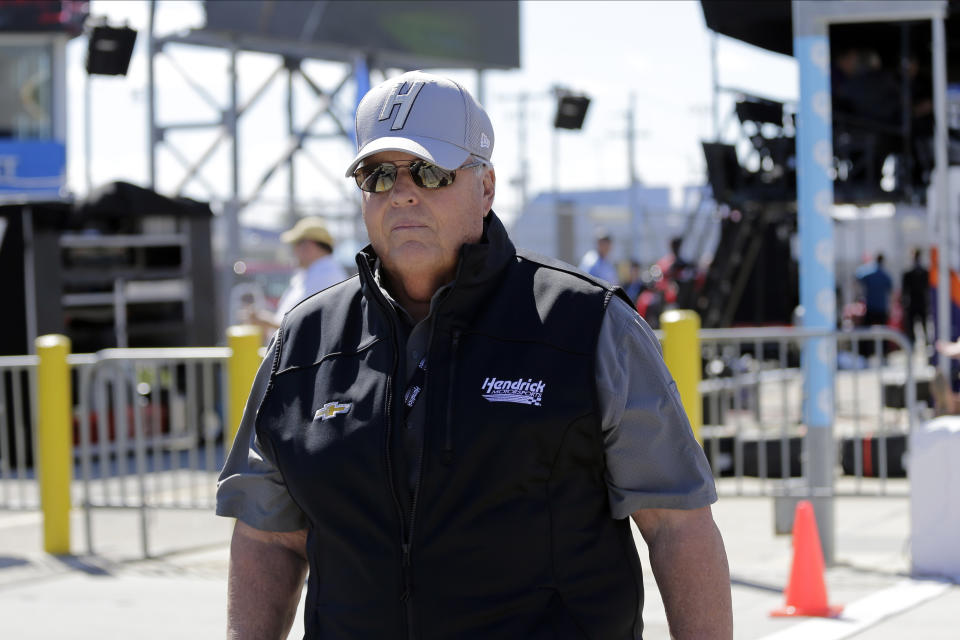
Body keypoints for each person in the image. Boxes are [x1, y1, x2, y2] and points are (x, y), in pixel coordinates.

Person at [217, 70, 732, 639]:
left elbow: (678, 527)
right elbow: (268, 536)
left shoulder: (588, 327)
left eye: (432, 171)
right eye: (379, 174)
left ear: (485, 187)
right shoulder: (304, 342)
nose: (404, 191)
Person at [241, 216, 347, 333]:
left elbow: (305, 327)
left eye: (295, 245)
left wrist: (266, 321)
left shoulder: (326, 276)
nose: (293, 251)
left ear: (309, 246)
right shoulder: (318, 272)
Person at [901, 248, 930, 346]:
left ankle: (918, 343)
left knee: (922, 325)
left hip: (917, 303)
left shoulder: (922, 272)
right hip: (916, 303)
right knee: (915, 326)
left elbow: (904, 291)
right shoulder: (911, 273)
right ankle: (913, 344)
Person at [855, 252, 893, 327]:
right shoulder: (885, 276)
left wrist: (866, 266)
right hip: (881, 308)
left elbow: (857, 276)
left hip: (871, 307)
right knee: (883, 332)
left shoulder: (869, 274)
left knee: (867, 332)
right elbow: (890, 290)